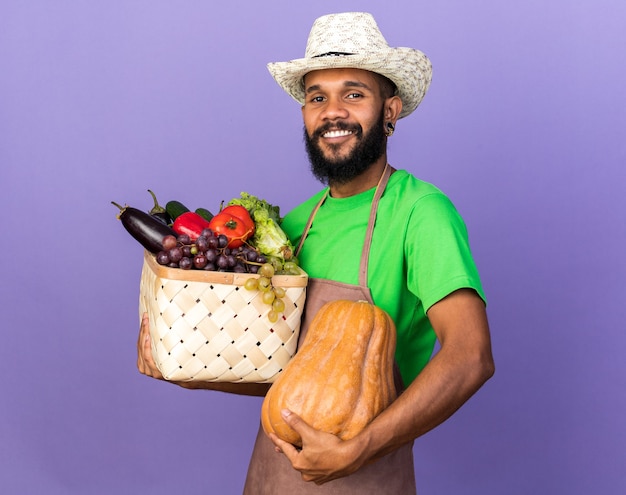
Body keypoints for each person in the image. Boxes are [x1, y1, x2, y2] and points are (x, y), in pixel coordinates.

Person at [137, 11, 495, 494]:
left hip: (365, 473)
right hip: (272, 474)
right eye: (317, 97)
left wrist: (359, 448)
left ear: (389, 111)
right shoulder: (294, 228)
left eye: (354, 94)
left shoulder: (420, 213)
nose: (332, 112)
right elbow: (282, 369)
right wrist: (187, 369)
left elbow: (471, 356)